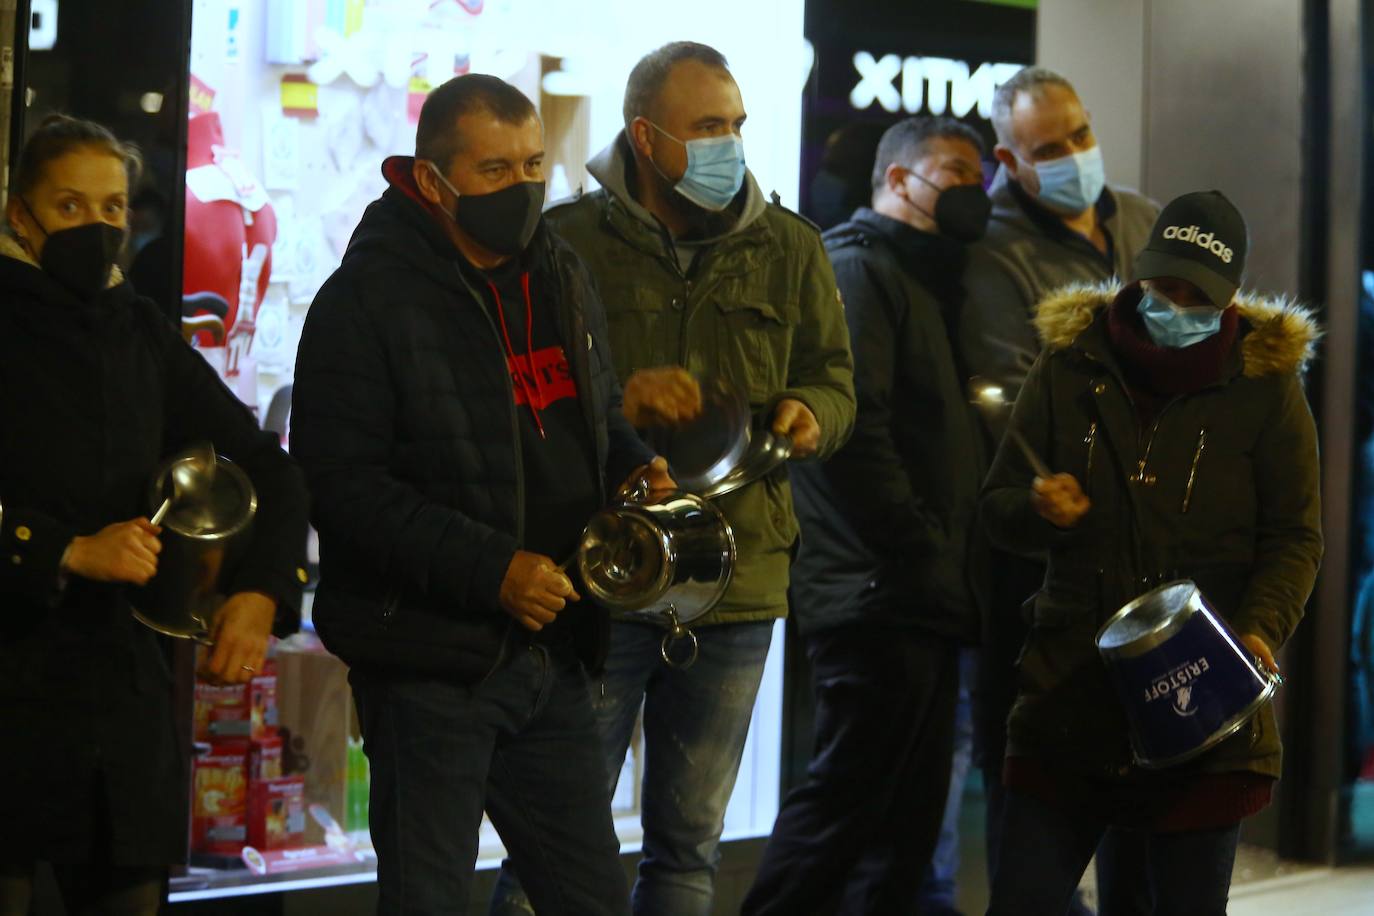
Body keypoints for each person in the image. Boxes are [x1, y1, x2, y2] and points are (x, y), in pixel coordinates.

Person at [290, 74, 667, 915]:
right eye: (495, 172)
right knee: (428, 901)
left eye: (533, 164)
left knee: (594, 897)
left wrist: (631, 465)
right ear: (433, 181)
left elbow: (592, 409)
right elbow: (341, 488)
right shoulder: (365, 301)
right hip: (430, 664)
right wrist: (492, 568)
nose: (523, 187)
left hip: (556, 652)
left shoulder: (558, 270)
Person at [494, 41, 856, 916]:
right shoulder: (562, 241)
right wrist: (618, 400)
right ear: (646, 138)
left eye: (735, 124)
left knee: (689, 848)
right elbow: (506, 388)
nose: (729, 142)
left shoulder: (791, 247)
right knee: (558, 837)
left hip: (737, 581)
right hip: (600, 573)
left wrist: (812, 411)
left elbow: (836, 380)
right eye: (706, 127)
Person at [980, 190, 1322, 915]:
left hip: (1201, 697)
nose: (1177, 304)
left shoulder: (1266, 386)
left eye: (1198, 295)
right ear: (1140, 272)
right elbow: (997, 508)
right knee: (1023, 897)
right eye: (1165, 286)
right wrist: (1039, 510)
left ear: (1229, 296)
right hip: (1068, 695)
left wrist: (1258, 631)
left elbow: (1294, 534)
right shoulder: (1071, 364)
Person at [0, 115, 308, 916]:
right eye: (70, 207)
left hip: (122, 709)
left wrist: (263, 589)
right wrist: (63, 551)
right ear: (18, 215)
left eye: (113, 210)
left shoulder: (138, 332)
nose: (96, 228)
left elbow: (268, 467)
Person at [741, 116, 989, 915]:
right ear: (896, 179)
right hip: (877, 593)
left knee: (906, 825)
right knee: (845, 805)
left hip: (919, 594)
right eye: (952, 170)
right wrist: (920, 551)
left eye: (978, 176)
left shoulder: (924, 277)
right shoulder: (858, 265)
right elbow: (857, 436)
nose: (970, 190)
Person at [959, 66, 1161, 913]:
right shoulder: (994, 249)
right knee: (1035, 780)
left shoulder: (1145, 219)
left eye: (1080, 134)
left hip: (1154, 550)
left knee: (1149, 768)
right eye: (1050, 147)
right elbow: (1018, 399)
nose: (1076, 155)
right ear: (1009, 158)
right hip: (1047, 557)